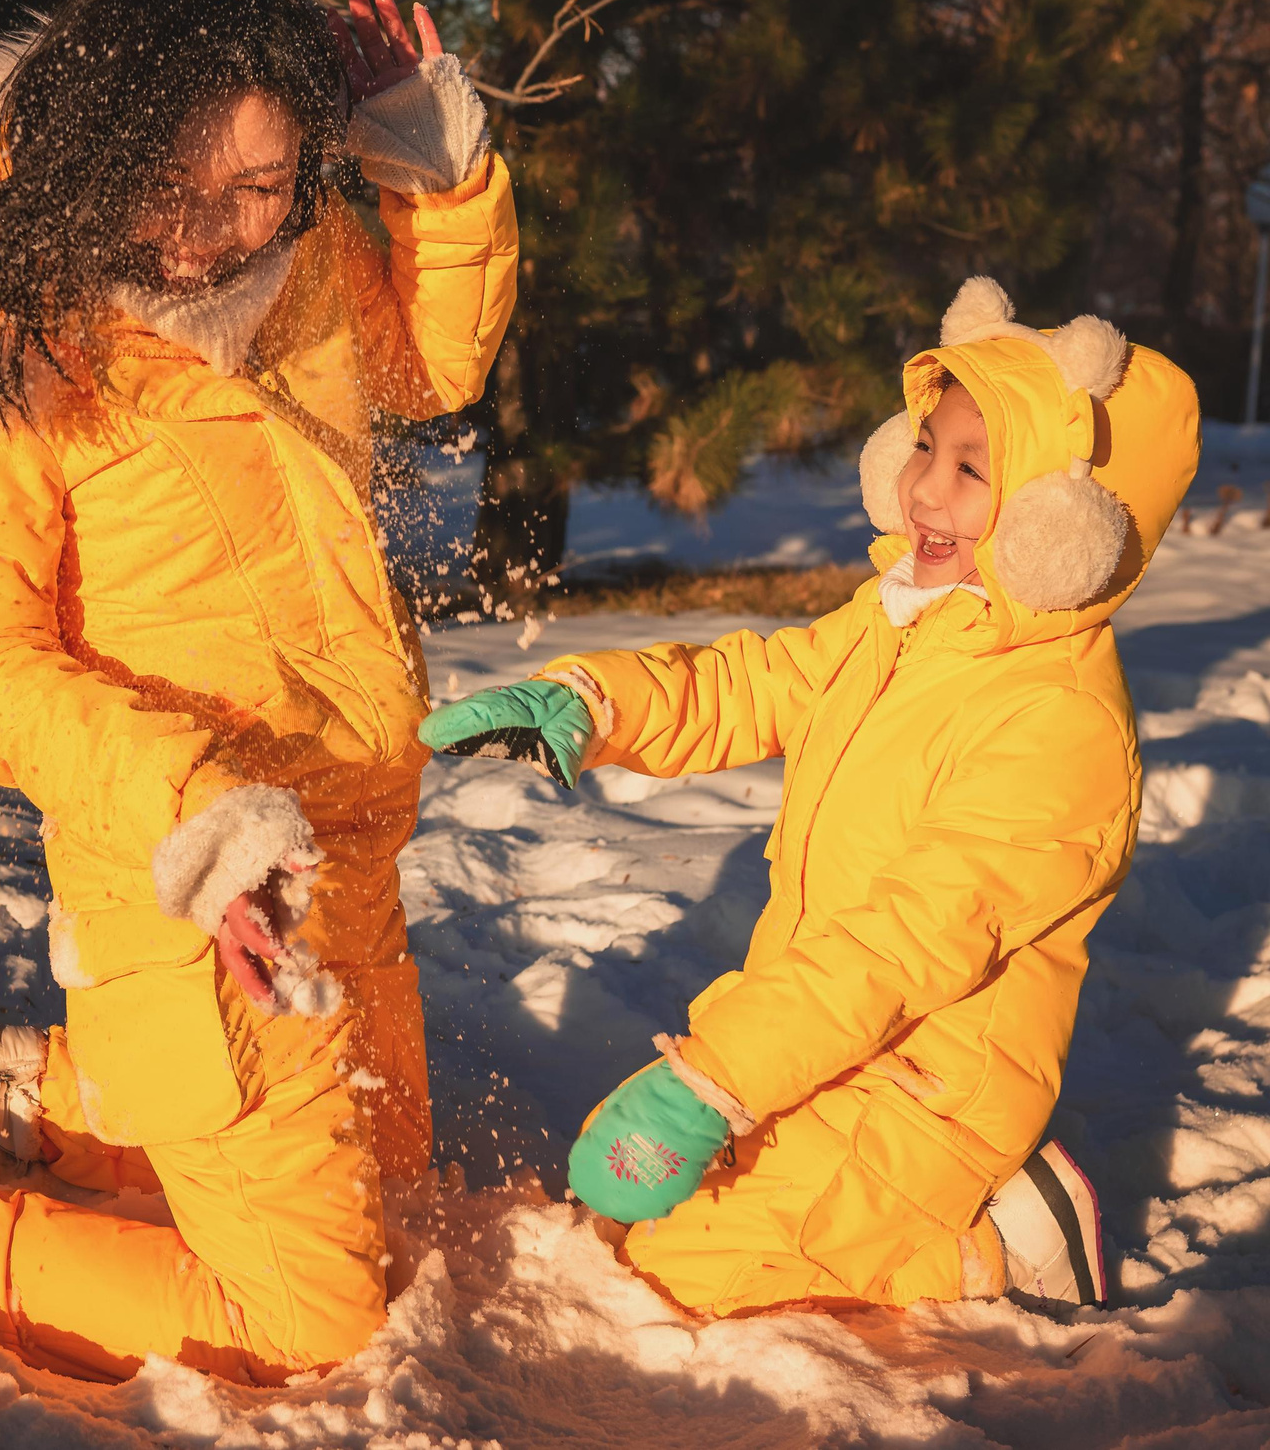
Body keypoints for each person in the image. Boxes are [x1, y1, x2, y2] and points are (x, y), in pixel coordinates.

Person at [0, 0, 517, 1384]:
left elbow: (426, 369)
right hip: (195, 878)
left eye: (262, 184)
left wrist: (428, 162)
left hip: (353, 842)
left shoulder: (308, 251)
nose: (213, 231)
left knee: (395, 1190)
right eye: (177, 183)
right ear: (99, 134)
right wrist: (198, 808)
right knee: (312, 1319)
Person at [422, 277, 1198, 1315]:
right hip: (824, 1039)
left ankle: (995, 1244)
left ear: (1065, 524)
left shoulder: (1057, 728)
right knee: (627, 1226)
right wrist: (594, 700)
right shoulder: (906, 621)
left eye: (973, 469)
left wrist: (709, 1082)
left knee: (669, 1281)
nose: (925, 491)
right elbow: (754, 684)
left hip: (923, 1089)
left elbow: (899, 949)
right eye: (926, 446)